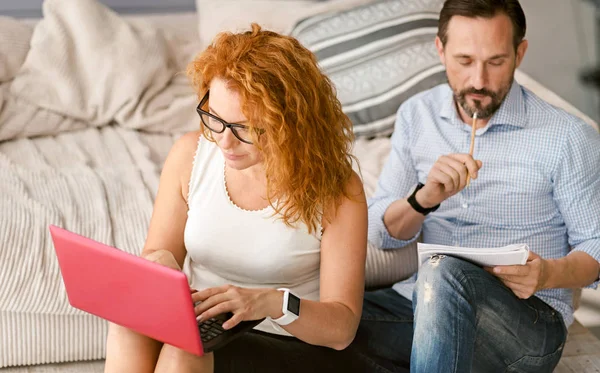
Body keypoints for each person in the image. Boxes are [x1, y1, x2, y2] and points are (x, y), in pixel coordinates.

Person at [351, 1, 600, 372]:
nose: (479, 81)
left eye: (496, 61)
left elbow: (595, 247)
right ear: (440, 50)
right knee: (322, 315)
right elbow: (380, 234)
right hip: (422, 304)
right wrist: (423, 199)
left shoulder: (568, 136)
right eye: (464, 61)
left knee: (442, 269)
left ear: (520, 53)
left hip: (526, 322)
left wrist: (547, 273)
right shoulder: (417, 115)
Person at [103, 24, 368, 373]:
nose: (224, 142)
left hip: (288, 340)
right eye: (215, 118)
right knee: (128, 327)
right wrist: (159, 263)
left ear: (291, 123)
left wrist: (269, 302)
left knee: (183, 352)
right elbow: (159, 252)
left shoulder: (336, 188)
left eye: (244, 128)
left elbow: (341, 328)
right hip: (206, 327)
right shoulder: (189, 155)